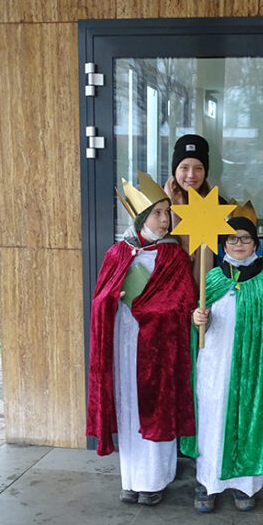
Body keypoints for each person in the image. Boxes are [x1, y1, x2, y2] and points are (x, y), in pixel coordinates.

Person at [86, 171, 196, 506]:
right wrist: (112, 298)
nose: (165, 220)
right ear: (140, 219)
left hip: (159, 347)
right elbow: (98, 300)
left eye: (167, 213)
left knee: (155, 406)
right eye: (157, 214)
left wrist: (149, 308)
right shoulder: (117, 253)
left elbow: (184, 301)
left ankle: (155, 479)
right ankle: (131, 479)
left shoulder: (174, 255)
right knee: (129, 403)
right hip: (124, 342)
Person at [181, 204, 263, 513]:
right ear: (223, 244)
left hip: (251, 369)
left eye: (246, 239)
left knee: (246, 419)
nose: (239, 244)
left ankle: (245, 486)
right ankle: (207, 482)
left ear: (256, 244)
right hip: (213, 367)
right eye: (232, 239)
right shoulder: (213, 279)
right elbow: (193, 326)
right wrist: (197, 319)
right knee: (212, 419)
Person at [164, 134, 216, 283]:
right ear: (175, 170)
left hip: (207, 291)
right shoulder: (158, 202)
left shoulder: (217, 203)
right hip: (168, 286)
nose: (191, 175)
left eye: (198, 168)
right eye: (184, 168)